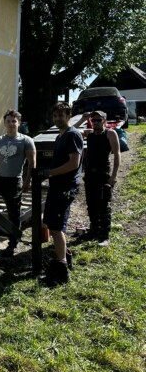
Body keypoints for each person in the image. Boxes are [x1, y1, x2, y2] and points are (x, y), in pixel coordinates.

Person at [0, 109, 36, 253]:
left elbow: (32, 163)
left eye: (14, 121)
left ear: (19, 123)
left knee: (14, 213)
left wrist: (28, 181)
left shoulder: (26, 140)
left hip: (14, 182)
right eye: (8, 121)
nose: (11, 124)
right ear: (4, 123)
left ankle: (13, 242)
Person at [41, 102, 83, 286]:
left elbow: (74, 164)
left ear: (69, 115)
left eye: (62, 115)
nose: (58, 118)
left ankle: (61, 270)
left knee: (57, 228)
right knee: (53, 224)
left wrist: (50, 172)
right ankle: (65, 255)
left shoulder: (73, 134)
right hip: (57, 186)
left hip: (66, 187)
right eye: (55, 116)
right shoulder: (60, 136)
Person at [74, 110, 121, 246]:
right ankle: (93, 231)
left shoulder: (110, 133)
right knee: (91, 203)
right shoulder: (89, 133)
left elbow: (117, 155)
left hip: (103, 174)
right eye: (93, 120)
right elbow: (71, 131)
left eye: (98, 120)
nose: (95, 122)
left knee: (103, 205)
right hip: (89, 174)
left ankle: (104, 236)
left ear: (104, 121)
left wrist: (114, 175)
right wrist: (83, 119)